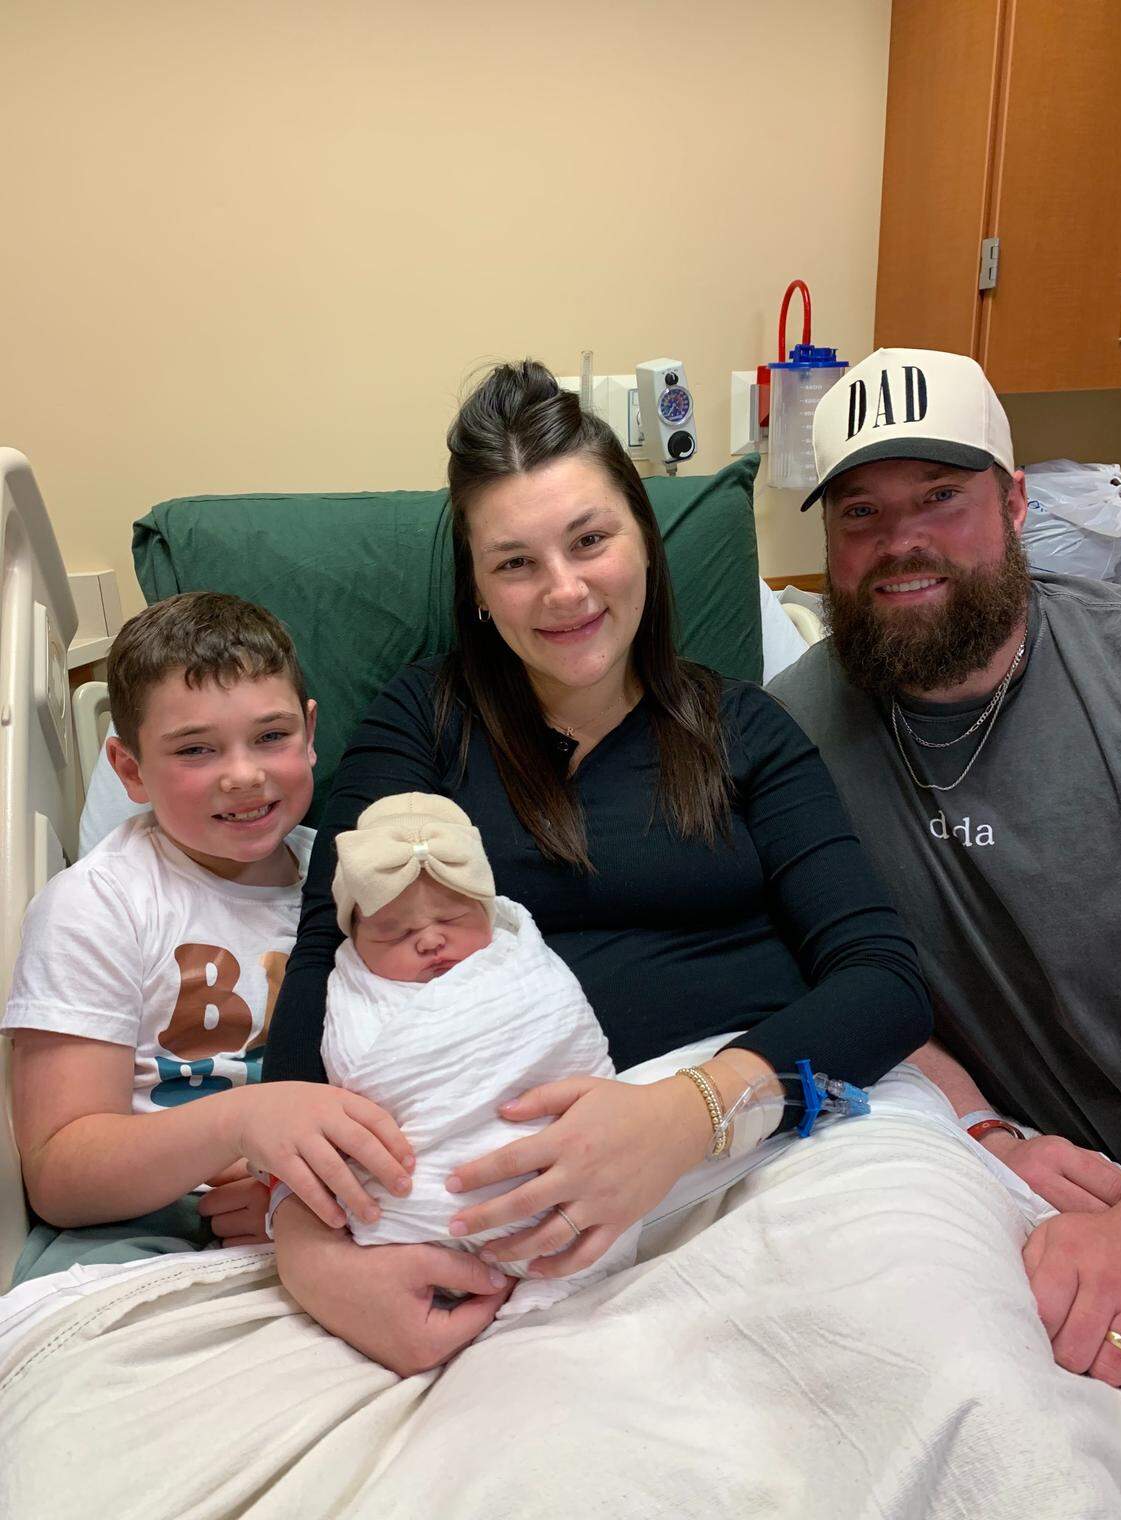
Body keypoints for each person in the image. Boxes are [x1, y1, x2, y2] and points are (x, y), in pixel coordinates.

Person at [261, 359, 933, 1375]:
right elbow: (327, 947)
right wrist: (307, 1240)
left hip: (768, 1140)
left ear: (645, 544)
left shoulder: (742, 730)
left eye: (590, 539)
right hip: (504, 1201)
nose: (565, 590)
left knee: (911, 1358)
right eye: (516, 562)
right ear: (478, 591)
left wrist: (688, 1116)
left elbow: (884, 980)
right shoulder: (426, 726)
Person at [767, 345, 1121, 1393]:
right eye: (862, 515)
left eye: (941, 497)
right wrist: (982, 1128)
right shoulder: (784, 739)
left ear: (1016, 501)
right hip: (1010, 1176)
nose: (903, 544)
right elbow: (837, 980)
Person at [2, 592, 412, 1282]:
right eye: (195, 749)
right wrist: (242, 1125)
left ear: (311, 734)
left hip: (343, 1203)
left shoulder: (353, 883)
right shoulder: (98, 907)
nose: (243, 774)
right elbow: (61, 1174)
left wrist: (298, 1197)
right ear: (129, 769)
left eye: (271, 736)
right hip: (154, 1228)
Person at [315, 790, 639, 1324]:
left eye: (455, 917)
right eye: (396, 931)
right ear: (356, 940)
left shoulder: (520, 965)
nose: (430, 941)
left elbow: (565, 1036)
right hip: (424, 1203)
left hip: (560, 1172)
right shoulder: (357, 993)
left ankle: (553, 1291)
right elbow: (353, 1088)